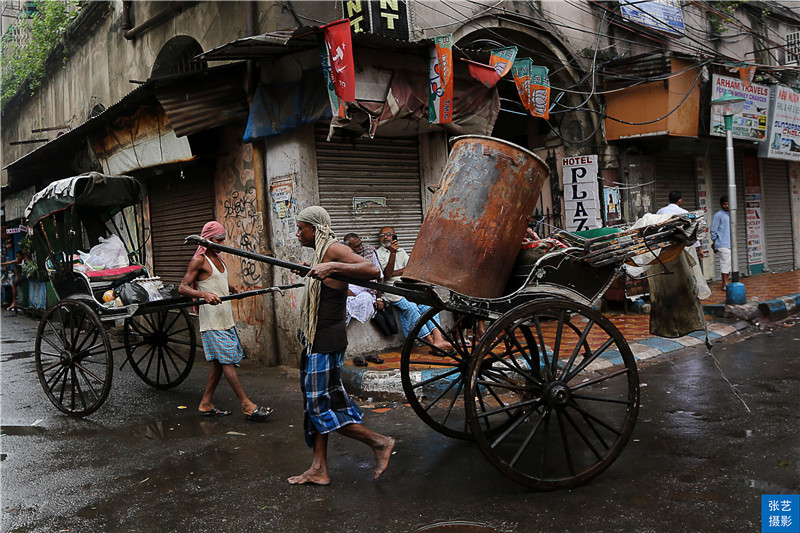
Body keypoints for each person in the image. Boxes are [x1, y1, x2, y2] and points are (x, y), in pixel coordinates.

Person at [288, 207, 394, 485]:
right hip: (318, 340)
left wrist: (332, 266)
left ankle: (379, 442)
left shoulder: (333, 250)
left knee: (319, 408)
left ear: (316, 228)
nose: (298, 233)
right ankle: (319, 468)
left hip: (325, 342)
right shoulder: (321, 251)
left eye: (301, 228)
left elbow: (373, 270)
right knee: (317, 403)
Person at [178, 221, 272, 421]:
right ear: (207, 240)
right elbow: (183, 287)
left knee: (220, 364)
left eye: (222, 239)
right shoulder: (199, 260)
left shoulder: (218, 258)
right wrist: (203, 294)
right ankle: (246, 405)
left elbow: (217, 280)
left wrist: (231, 289)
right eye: (217, 240)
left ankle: (205, 403)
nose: (221, 243)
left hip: (225, 317)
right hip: (212, 321)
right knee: (227, 361)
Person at [374, 226, 452, 351]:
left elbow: (410, 269)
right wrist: (392, 255)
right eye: (382, 235)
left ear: (394, 236)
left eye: (388, 234)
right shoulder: (378, 254)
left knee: (427, 307)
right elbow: (387, 275)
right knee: (411, 308)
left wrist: (395, 272)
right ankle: (432, 344)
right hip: (392, 290)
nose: (385, 237)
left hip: (407, 287)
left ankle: (439, 338)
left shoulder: (402, 251)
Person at [341, 233, 383, 326]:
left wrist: (379, 298)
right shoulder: (341, 256)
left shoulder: (369, 252)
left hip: (367, 292)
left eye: (361, 244)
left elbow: (380, 277)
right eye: (356, 246)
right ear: (348, 248)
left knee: (365, 298)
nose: (360, 248)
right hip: (347, 292)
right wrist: (345, 291)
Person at [656, 190, 704, 258]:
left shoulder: (660, 211)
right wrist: (699, 248)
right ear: (679, 200)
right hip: (681, 246)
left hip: (663, 245)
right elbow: (692, 231)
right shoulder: (684, 213)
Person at [709, 195, 732, 287]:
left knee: (728, 264)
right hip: (722, 243)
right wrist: (715, 241)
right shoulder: (718, 215)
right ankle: (725, 283)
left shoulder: (730, 214)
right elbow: (713, 230)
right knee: (725, 263)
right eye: (724, 204)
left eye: (728, 204)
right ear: (721, 204)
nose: (726, 206)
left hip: (730, 243)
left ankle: (726, 282)